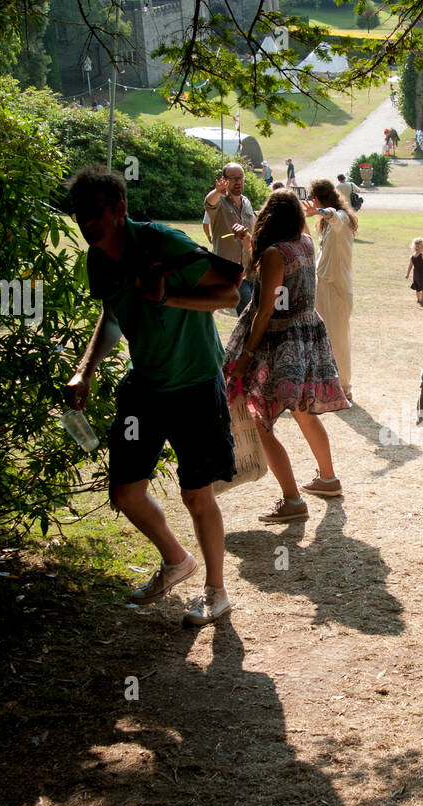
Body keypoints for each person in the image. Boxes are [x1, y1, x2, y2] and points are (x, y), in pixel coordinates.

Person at [64, 165, 242, 625]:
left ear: (120, 209)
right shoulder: (99, 260)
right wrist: (85, 371)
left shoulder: (164, 243)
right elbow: (113, 315)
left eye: (96, 214)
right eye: (81, 214)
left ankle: (216, 592)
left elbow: (229, 293)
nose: (87, 223)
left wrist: (167, 298)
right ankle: (177, 561)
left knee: (196, 494)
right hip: (144, 385)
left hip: (196, 383)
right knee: (125, 491)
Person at [223, 190, 350, 524]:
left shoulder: (276, 251)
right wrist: (249, 241)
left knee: (260, 420)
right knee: (304, 410)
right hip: (306, 332)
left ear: (269, 217)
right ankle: (328, 478)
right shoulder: (304, 243)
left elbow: (265, 310)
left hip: (281, 338)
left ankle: (292, 500)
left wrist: (247, 355)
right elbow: (277, 271)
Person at [307, 178, 357, 402]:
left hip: (337, 289)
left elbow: (333, 215)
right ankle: (326, 385)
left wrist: (318, 211)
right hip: (323, 284)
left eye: (313, 199)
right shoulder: (326, 223)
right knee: (322, 339)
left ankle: (344, 388)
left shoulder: (341, 218)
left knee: (338, 340)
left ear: (318, 199)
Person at [202, 162, 256, 316]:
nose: (238, 182)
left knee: (250, 314)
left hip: (249, 270)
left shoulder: (246, 203)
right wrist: (217, 191)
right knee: (248, 314)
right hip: (228, 271)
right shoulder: (219, 201)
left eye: (240, 178)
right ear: (224, 180)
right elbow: (209, 202)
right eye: (233, 178)